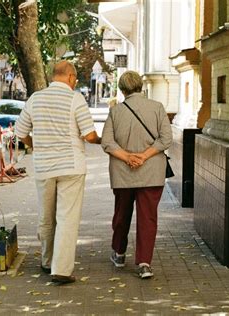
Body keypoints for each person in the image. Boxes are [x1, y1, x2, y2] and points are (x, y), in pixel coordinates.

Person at [15, 61, 101, 284]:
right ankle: (61, 270)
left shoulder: (35, 98)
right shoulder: (75, 99)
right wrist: (101, 140)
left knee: (46, 216)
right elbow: (90, 135)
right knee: (66, 218)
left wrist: (35, 144)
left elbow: (20, 132)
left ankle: (46, 262)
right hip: (71, 166)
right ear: (71, 77)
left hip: (44, 166)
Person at [101, 71, 172, 279]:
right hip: (151, 172)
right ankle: (144, 263)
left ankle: (120, 253)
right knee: (148, 217)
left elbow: (107, 142)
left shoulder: (115, 112)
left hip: (123, 173)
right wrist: (143, 156)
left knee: (122, 215)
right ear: (141, 86)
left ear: (122, 90)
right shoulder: (157, 108)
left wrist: (127, 158)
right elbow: (166, 139)